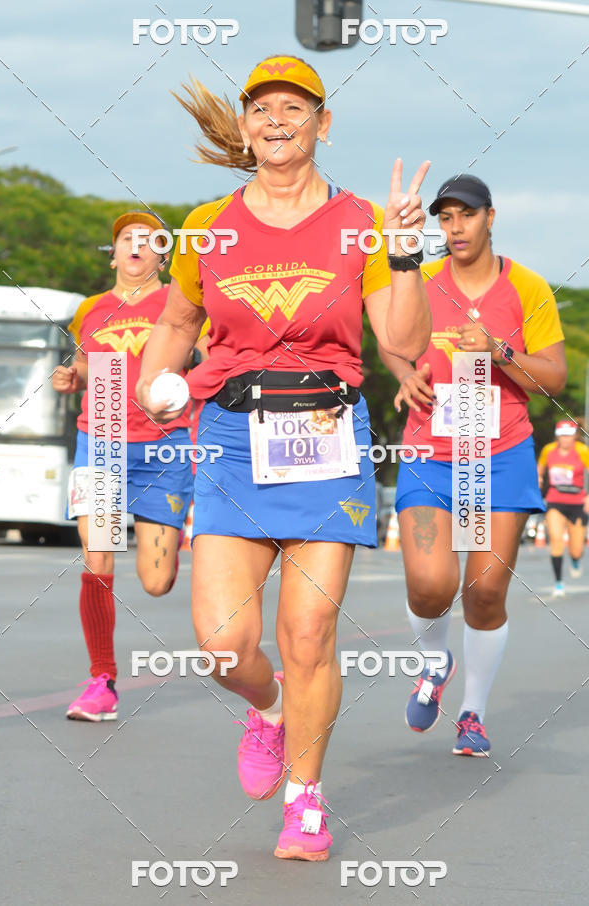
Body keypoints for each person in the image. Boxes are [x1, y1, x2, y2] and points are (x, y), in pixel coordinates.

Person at [136, 55, 431, 861]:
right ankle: (267, 710)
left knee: (308, 634)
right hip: (232, 439)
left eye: (294, 108)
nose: (276, 120)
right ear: (244, 125)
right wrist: (152, 382)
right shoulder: (207, 226)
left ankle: (305, 799)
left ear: (321, 124)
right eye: (261, 107)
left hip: (328, 438)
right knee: (225, 643)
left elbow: (403, 343)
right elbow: (176, 321)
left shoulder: (362, 222)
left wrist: (404, 255)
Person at [380, 174, 566, 756]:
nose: (454, 227)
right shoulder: (423, 280)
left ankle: (473, 713)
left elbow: (554, 379)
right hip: (431, 455)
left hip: (499, 454)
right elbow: (390, 337)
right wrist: (405, 373)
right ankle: (435, 666)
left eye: (466, 215)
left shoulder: (529, 288)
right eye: (445, 218)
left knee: (484, 594)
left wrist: (498, 349)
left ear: (491, 217)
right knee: (430, 586)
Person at [52, 210, 199, 721]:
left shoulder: (180, 303)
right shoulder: (91, 310)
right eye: (126, 240)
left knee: (157, 581)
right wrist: (72, 377)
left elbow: (204, 358)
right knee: (98, 559)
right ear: (112, 253)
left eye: (149, 240)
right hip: (103, 442)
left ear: (163, 255)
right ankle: (102, 680)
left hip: (164, 450)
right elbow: (90, 363)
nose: (136, 246)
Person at [537, 420, 589, 596]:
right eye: (562, 436)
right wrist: (539, 478)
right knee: (556, 539)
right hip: (555, 501)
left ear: (574, 436)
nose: (565, 439)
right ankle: (558, 583)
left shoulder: (582, 451)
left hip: (577, 503)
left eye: (568, 435)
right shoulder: (548, 450)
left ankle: (575, 559)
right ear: (557, 436)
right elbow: (541, 468)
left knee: (576, 549)